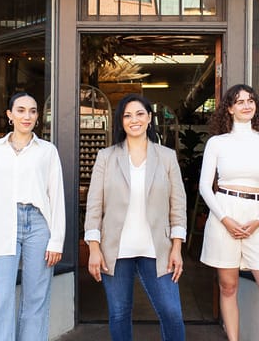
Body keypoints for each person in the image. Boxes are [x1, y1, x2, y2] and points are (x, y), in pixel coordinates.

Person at [84, 93, 187, 341]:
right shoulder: (106, 157)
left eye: (140, 114)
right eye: (127, 115)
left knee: (172, 313)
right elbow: (94, 207)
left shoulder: (166, 156)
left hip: (158, 249)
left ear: (149, 118)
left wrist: (177, 247)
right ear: (121, 122)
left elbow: (178, 206)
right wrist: (94, 249)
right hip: (116, 251)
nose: (134, 120)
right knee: (119, 314)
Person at [0, 92, 65, 341]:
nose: (27, 116)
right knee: (1, 295)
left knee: (36, 295)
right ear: (10, 115)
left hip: (38, 223)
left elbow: (56, 197)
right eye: (21, 110)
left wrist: (56, 239)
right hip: (3, 222)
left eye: (33, 111)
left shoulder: (47, 151)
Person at [199, 84, 259, 341]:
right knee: (228, 286)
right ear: (229, 108)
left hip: (258, 214)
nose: (246, 105)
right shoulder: (217, 143)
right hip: (224, 211)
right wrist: (224, 219)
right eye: (240, 101)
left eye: (250, 100)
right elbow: (205, 186)